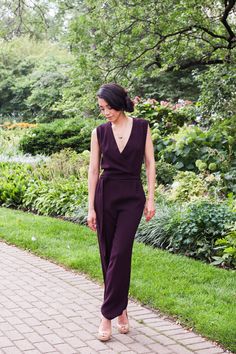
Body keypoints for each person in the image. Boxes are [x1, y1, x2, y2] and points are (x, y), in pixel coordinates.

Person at [87, 83, 156, 341]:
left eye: (107, 107)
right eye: (101, 109)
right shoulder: (100, 132)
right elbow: (93, 171)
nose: (104, 112)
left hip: (132, 197)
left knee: (120, 252)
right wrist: (91, 207)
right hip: (106, 195)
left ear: (119, 103)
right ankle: (122, 310)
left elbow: (150, 164)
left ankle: (106, 314)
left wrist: (151, 198)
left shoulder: (142, 127)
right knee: (108, 254)